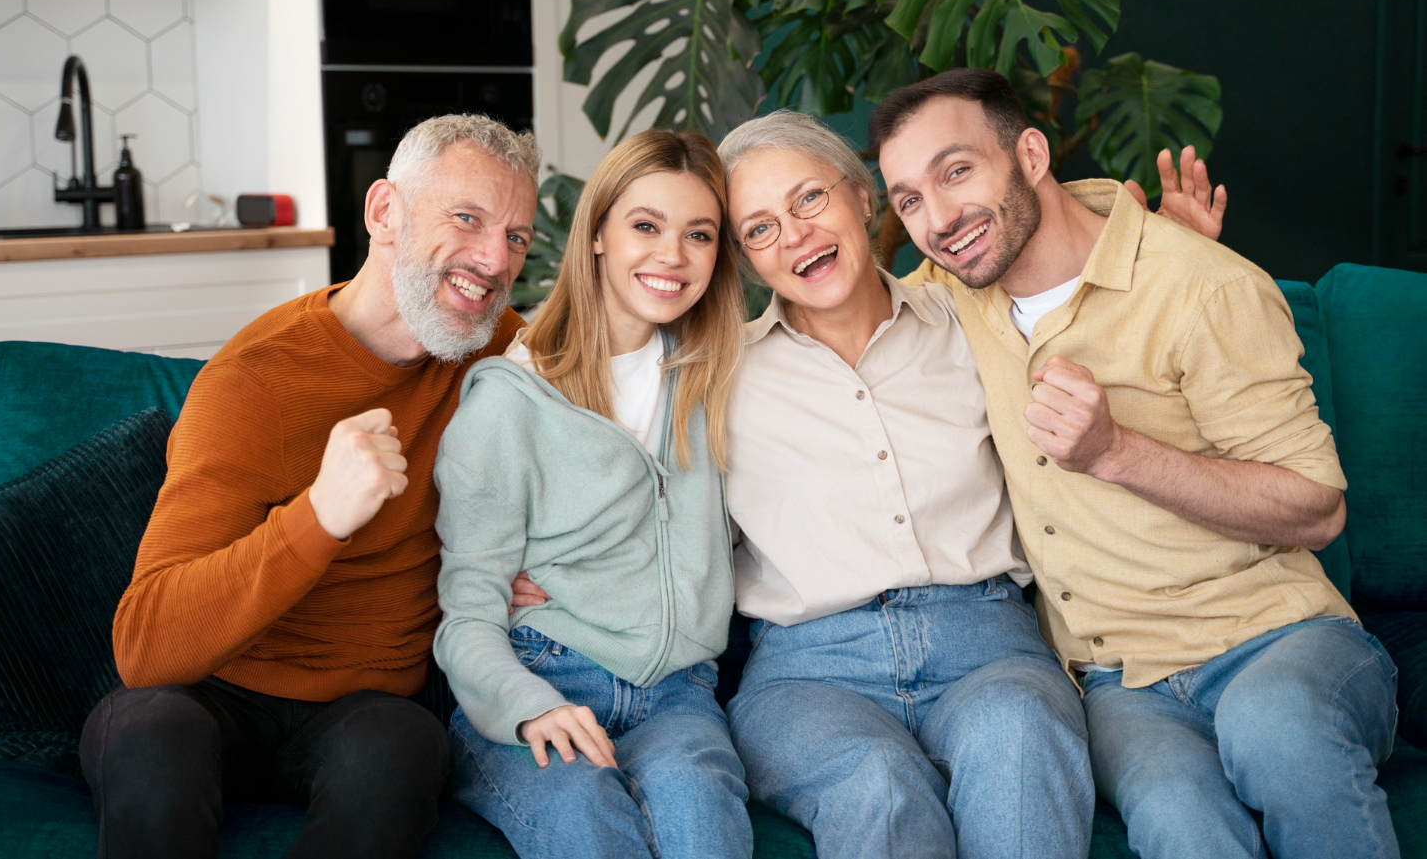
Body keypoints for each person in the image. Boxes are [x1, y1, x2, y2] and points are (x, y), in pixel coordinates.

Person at [874, 68, 1398, 859]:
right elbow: (841, 309)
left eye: (957, 171)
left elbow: (1319, 508)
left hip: (1276, 637)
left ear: (1031, 153)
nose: (940, 217)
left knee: (1276, 728)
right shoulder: (950, 292)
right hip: (1120, 680)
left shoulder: (1202, 286)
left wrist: (1116, 452)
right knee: (1175, 814)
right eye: (909, 198)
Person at [79, 114, 541, 859]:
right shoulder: (251, 380)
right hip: (208, 694)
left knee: (401, 751)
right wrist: (320, 516)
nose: (493, 259)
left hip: (367, 711)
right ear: (385, 211)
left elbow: (614, 446)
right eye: (467, 219)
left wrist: (544, 560)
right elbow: (146, 646)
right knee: (148, 733)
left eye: (516, 236)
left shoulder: (502, 355)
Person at [714, 111, 1094, 859]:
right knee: (878, 780)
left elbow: (1075, 269)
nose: (792, 235)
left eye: (808, 200)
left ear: (862, 197)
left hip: (987, 644)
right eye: (758, 229)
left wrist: (1173, 256)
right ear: (747, 259)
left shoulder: (969, 317)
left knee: (1019, 734)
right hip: (808, 671)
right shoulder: (718, 376)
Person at [432, 129, 751, 859]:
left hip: (678, 693)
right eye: (645, 225)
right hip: (543, 673)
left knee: (705, 825)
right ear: (599, 232)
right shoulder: (512, 400)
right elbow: (466, 617)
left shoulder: (722, 375)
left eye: (698, 234)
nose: (672, 255)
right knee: (587, 824)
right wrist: (527, 705)